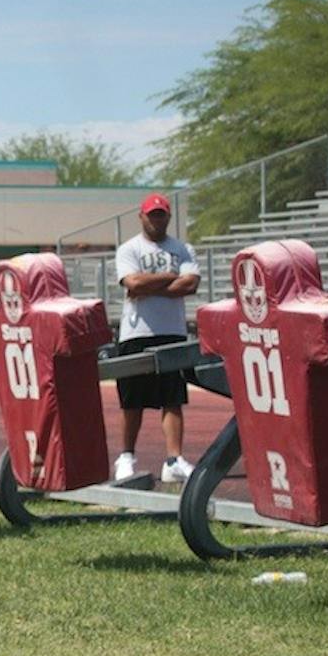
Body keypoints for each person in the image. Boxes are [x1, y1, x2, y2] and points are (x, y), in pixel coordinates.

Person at [112, 192, 201, 483]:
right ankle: (126, 457)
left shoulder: (183, 248)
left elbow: (189, 284)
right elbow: (132, 282)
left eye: (161, 214)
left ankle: (174, 460)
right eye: (152, 214)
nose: (156, 219)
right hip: (136, 332)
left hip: (172, 332)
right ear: (141, 216)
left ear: (168, 217)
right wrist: (168, 276)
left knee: (172, 398)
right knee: (132, 400)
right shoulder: (129, 249)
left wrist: (149, 286)